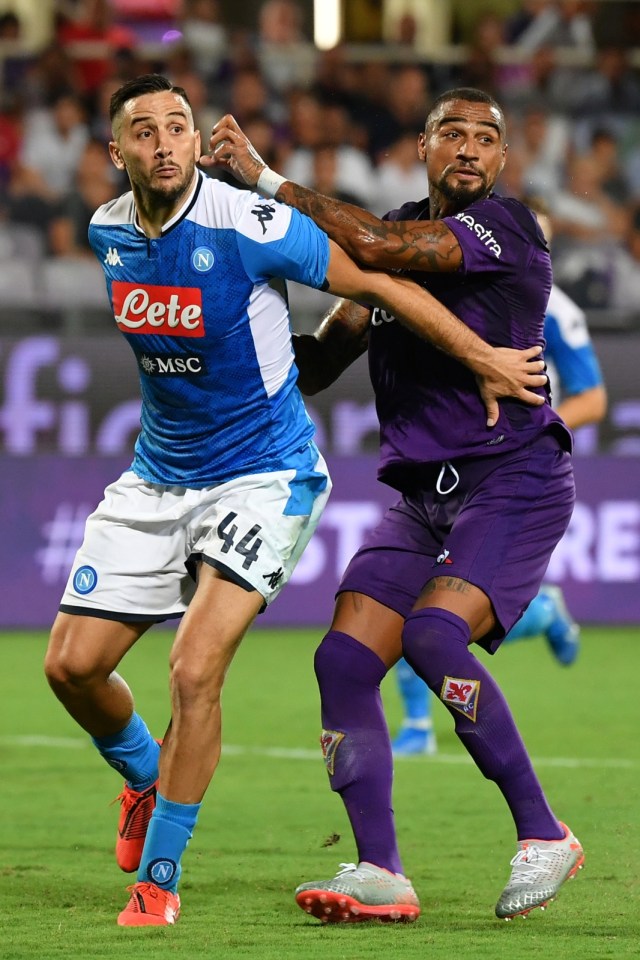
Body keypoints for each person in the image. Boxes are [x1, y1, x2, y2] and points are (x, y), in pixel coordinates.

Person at [43, 75, 546, 929]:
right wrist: (303, 352)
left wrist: (485, 359)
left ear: (199, 141)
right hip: (159, 475)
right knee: (71, 668)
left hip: (267, 474)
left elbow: (381, 275)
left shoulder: (251, 221)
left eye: (179, 127)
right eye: (144, 131)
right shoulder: (106, 232)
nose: (164, 143)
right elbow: (340, 325)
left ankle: (158, 883)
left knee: (195, 668)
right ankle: (142, 776)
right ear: (117, 152)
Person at [206, 87, 585, 923]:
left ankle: (544, 833)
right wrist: (229, 330)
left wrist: (264, 182)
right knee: (341, 661)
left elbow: (377, 245)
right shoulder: (394, 236)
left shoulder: (504, 230)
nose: (471, 148)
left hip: (512, 477)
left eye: (488, 137)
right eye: (453, 131)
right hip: (422, 497)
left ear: (504, 161)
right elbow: (324, 357)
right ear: (423, 146)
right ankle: (381, 870)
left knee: (430, 634)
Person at [392, 268, 608, 756]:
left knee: (436, 603)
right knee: (419, 595)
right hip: (449, 466)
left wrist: (527, 433)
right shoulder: (461, 294)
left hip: (512, 474)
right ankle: (420, 724)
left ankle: (419, 725)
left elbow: (592, 399)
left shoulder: (555, 307)